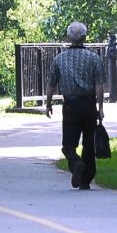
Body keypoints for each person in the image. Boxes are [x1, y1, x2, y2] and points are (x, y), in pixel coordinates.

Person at [43, 22, 108, 190]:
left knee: (68, 145)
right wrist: (100, 108)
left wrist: (48, 104)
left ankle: (75, 162)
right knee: (88, 143)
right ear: (85, 37)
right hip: (88, 104)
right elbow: (99, 85)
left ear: (69, 38)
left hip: (70, 104)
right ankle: (86, 180)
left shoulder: (59, 59)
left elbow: (51, 83)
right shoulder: (94, 58)